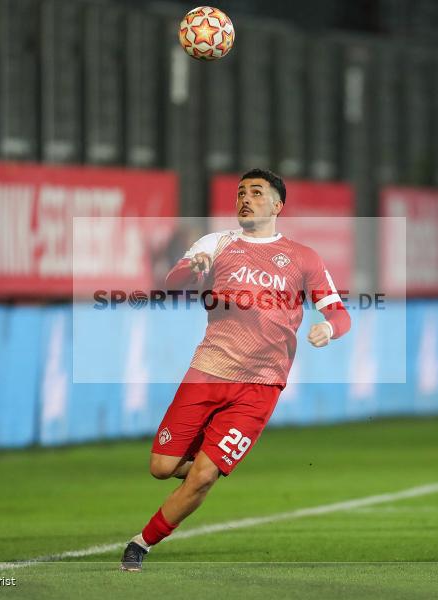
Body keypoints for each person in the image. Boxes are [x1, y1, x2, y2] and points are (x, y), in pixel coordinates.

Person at [120, 168, 351, 571]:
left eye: (257, 192)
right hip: (207, 371)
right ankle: (209, 463)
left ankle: (141, 543)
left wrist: (328, 328)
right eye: (241, 192)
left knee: (204, 477)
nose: (245, 198)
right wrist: (194, 268)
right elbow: (171, 282)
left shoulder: (303, 258)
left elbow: (340, 314)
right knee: (161, 467)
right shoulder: (217, 243)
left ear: (278, 205)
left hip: (260, 386)